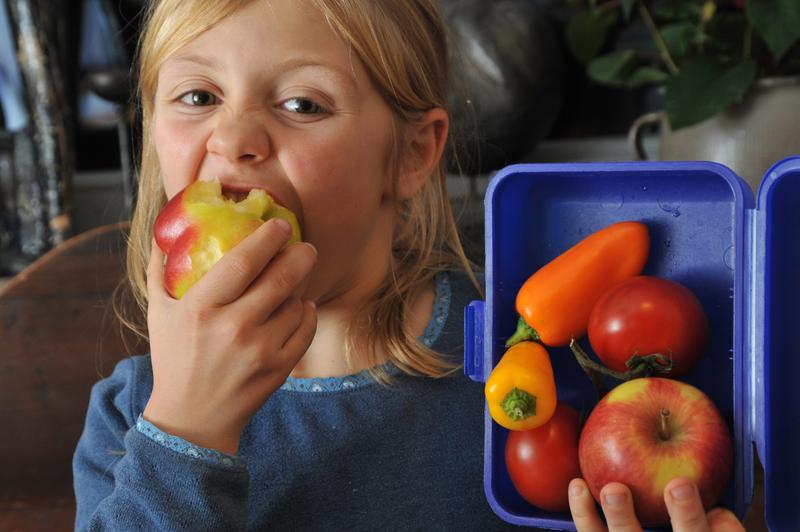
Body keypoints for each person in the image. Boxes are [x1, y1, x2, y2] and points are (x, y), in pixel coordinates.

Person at [72, 0, 747, 530]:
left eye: (302, 104)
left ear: (413, 155)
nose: (234, 138)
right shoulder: (132, 420)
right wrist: (185, 436)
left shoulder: (538, 383)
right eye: (196, 97)